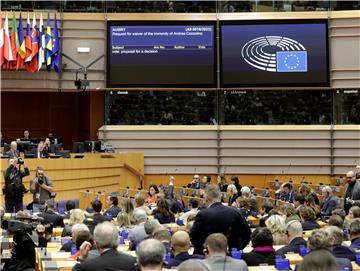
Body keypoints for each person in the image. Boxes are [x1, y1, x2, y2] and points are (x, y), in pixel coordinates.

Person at [190, 184, 251, 255]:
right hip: (230, 256)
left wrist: (203, 251)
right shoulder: (236, 212)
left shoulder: (203, 214)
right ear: (220, 196)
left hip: (207, 257)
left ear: (206, 197)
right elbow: (247, 233)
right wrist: (237, 249)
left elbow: (193, 237)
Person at [72, 222, 136, 271]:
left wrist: (81, 258)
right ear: (117, 241)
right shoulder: (133, 262)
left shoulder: (88, 266)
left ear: (96, 244)